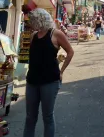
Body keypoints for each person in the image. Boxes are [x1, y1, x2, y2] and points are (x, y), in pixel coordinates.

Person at [24, 8, 74, 137]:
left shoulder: (56, 34)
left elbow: (70, 52)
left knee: (47, 116)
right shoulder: (33, 35)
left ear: (40, 20)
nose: (30, 23)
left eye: (33, 20)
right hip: (32, 81)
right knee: (30, 117)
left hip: (50, 81)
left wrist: (61, 71)